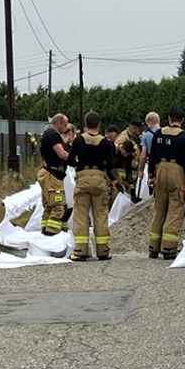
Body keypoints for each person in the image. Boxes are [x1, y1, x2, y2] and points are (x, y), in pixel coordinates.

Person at [67, 111, 117, 261]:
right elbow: (110, 165)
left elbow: (70, 160)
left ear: (85, 123)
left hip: (82, 178)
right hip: (99, 178)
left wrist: (79, 166)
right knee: (101, 215)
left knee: (81, 214)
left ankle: (80, 251)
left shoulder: (79, 140)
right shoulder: (106, 142)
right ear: (99, 124)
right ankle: (103, 251)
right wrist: (113, 180)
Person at [148, 107, 185, 260]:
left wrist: (151, 175)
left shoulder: (158, 134)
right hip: (177, 171)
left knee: (159, 209)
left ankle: (153, 246)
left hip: (160, 170)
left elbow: (152, 154)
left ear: (168, 118)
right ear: (182, 120)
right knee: (175, 210)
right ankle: (168, 248)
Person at [37, 113, 70, 236]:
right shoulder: (53, 135)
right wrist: (76, 158)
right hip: (53, 174)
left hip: (47, 172)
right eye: (65, 125)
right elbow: (61, 154)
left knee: (49, 205)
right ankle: (53, 232)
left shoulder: (47, 134)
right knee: (58, 205)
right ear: (59, 123)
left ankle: (45, 230)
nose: (65, 128)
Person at [115, 119, 144, 200]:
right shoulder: (123, 138)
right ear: (133, 128)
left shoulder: (135, 138)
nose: (140, 131)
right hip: (122, 173)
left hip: (130, 172)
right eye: (139, 129)